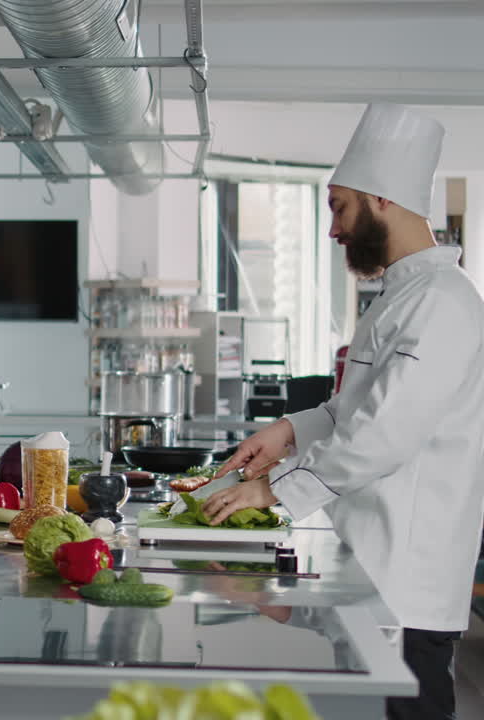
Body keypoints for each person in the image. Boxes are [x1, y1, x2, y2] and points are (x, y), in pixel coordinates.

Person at [203, 103, 484, 720]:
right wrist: (286, 431)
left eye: (338, 207)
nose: (332, 231)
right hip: (371, 570)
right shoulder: (400, 297)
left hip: (404, 585)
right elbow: (353, 410)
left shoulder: (442, 302)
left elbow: (384, 435)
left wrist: (270, 492)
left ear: (381, 199)